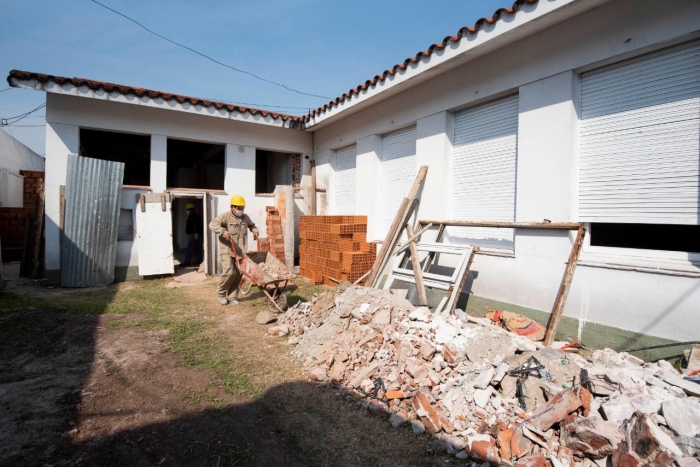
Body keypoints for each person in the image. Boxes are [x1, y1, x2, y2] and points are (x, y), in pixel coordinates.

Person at [209, 194, 259, 305]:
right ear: (232, 207)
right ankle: (221, 293)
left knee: (238, 273)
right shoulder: (225, 217)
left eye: (242, 208)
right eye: (238, 208)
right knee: (229, 272)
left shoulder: (245, 217)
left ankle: (232, 297)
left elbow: (252, 226)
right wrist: (223, 232)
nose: (241, 210)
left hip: (240, 250)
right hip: (227, 249)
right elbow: (212, 224)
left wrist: (255, 231)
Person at [181, 203, 202, 267]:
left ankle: (187, 261)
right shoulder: (192, 216)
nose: (187, 211)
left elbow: (195, 225)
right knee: (197, 248)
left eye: (188, 210)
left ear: (192, 210)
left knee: (190, 248)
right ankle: (199, 260)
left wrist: (196, 233)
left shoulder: (194, 216)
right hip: (193, 234)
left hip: (193, 235)